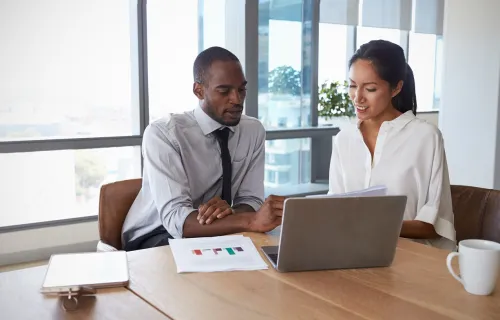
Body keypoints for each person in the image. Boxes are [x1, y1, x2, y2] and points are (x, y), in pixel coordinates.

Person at [121, 46, 284, 251]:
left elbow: (250, 199)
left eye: (241, 89)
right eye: (224, 91)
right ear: (199, 91)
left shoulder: (253, 131)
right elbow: (176, 220)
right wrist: (250, 220)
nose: (236, 99)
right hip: (156, 236)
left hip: (215, 232)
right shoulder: (164, 134)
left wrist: (231, 213)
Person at [328, 40, 456, 251]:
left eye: (370, 88)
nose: (357, 97)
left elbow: (435, 224)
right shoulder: (345, 138)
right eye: (352, 85)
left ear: (396, 87)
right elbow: (334, 206)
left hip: (412, 258)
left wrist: (375, 226)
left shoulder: (425, 137)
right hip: (352, 252)